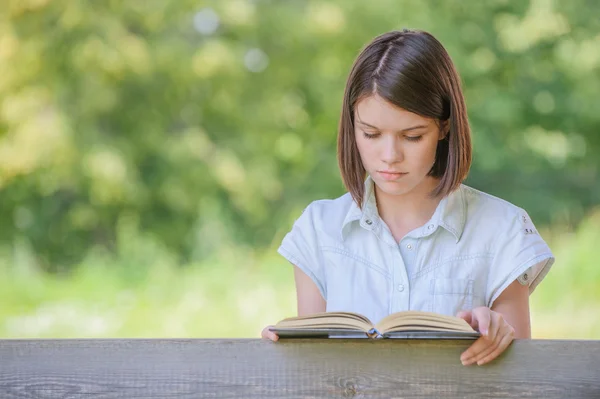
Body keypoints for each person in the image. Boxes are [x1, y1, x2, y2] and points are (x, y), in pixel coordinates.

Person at [261, 29, 554, 366]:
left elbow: (522, 377)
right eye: (370, 134)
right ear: (351, 125)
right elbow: (313, 372)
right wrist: (284, 349)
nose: (389, 155)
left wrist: (499, 331)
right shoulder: (319, 229)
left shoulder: (502, 229)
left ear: (445, 127)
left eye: (412, 136)